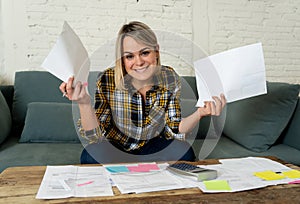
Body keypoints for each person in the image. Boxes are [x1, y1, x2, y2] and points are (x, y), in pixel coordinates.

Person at [59, 21, 226, 164]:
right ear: (122, 59)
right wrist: (83, 103)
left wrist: (200, 113)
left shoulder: (169, 77)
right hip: (117, 147)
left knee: (185, 152)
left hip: (153, 146)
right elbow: (95, 137)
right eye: (129, 56)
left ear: (156, 52)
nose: (138, 62)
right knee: (90, 155)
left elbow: (173, 129)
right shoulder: (107, 79)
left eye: (145, 53)